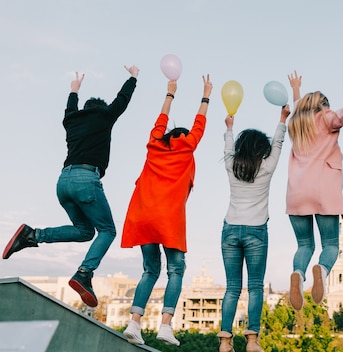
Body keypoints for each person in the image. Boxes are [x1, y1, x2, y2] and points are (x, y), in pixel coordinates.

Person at [3, 66, 139, 308]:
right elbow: (122, 100)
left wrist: (74, 91)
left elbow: (70, 109)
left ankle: (33, 235)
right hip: (86, 180)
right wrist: (133, 77)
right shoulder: (104, 116)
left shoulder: (71, 121)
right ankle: (84, 273)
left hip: (63, 182)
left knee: (85, 231)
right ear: (101, 109)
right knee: (107, 231)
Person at [121, 75, 212, 346]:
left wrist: (170, 93)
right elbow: (201, 123)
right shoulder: (187, 149)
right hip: (168, 219)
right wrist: (206, 94)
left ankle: (134, 323)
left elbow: (160, 120)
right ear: (186, 139)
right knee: (176, 270)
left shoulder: (153, 146)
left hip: (143, 215)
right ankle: (165, 325)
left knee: (150, 270)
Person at [286, 70, 343, 311]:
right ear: (323, 107)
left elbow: (298, 108)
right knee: (330, 245)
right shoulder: (326, 118)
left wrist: (296, 88)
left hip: (297, 194)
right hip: (323, 191)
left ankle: (298, 272)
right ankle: (322, 270)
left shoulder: (296, 124)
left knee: (304, 245)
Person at [216, 105, 290, 352]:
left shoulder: (231, 165)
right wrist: (282, 120)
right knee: (255, 286)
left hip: (230, 230)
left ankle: (225, 342)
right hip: (256, 231)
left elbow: (228, 146)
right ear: (261, 149)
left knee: (232, 287)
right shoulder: (266, 168)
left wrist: (229, 127)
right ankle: (251, 341)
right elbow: (278, 144)